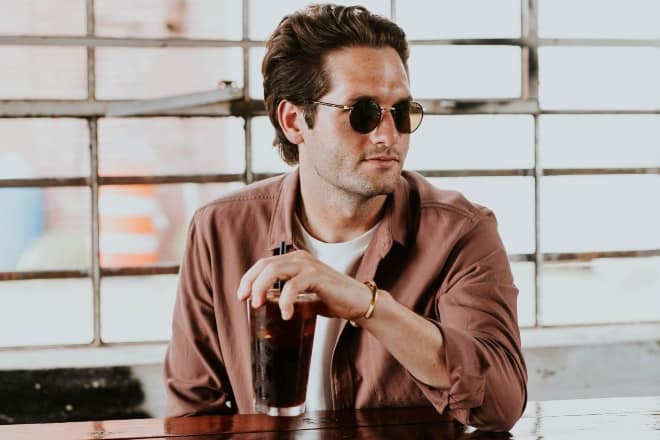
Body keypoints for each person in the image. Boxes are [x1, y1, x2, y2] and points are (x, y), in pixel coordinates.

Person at [164, 4, 527, 432]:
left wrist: (366, 304)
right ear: (295, 121)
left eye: (402, 112)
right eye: (363, 113)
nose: (388, 136)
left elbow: (501, 402)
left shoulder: (461, 232)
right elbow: (192, 417)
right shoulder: (218, 231)